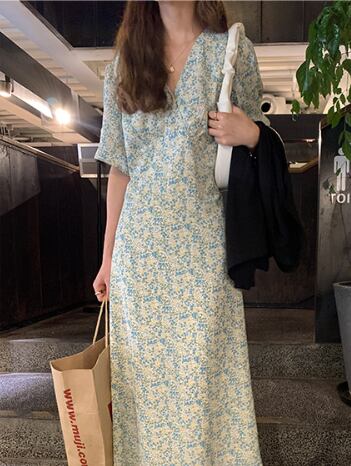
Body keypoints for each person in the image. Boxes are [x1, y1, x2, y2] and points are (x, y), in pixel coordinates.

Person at [92, 1, 270, 465]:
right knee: (146, 389)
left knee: (203, 382)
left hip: (205, 246)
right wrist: (107, 257)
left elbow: (263, 141)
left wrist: (249, 132)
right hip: (139, 257)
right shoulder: (123, 65)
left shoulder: (230, 52)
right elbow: (120, 169)